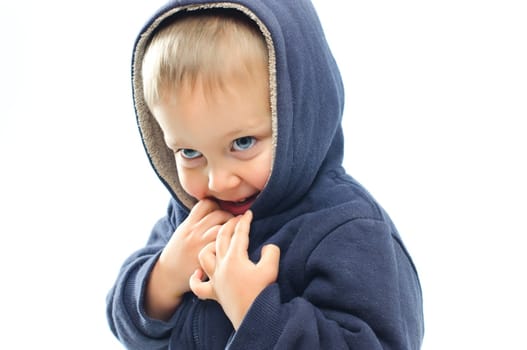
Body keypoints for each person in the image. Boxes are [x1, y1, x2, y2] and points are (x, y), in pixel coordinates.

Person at [106, 1, 425, 349]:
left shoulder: (349, 229)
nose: (218, 181)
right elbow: (126, 324)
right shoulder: (190, 220)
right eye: (190, 152)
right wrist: (163, 279)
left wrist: (253, 309)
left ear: (297, 117)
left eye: (242, 143)